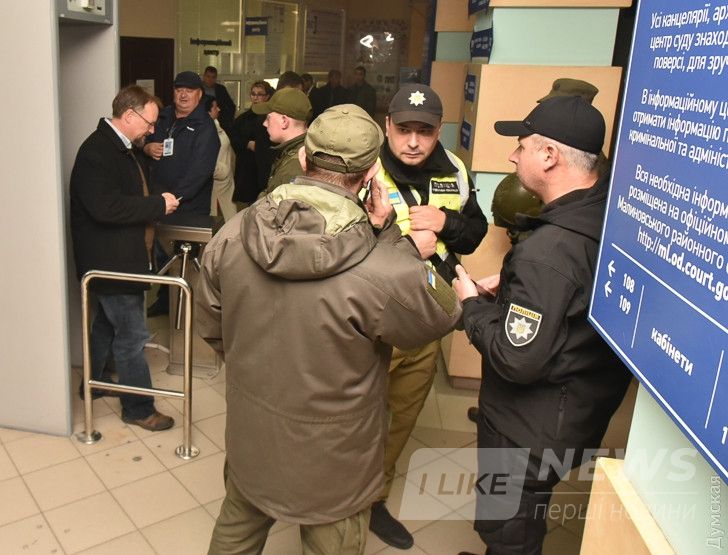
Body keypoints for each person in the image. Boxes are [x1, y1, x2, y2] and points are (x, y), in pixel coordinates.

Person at [197, 105, 461, 555]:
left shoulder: (234, 234)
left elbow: (212, 326)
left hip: (252, 435)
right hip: (335, 461)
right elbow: (441, 315)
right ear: (371, 175)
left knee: (236, 531)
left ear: (303, 158)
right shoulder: (383, 266)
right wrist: (390, 236)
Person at [452, 95, 631, 555]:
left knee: (508, 532)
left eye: (522, 145)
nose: (513, 156)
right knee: (519, 520)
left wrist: (472, 306)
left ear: (549, 155)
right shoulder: (604, 214)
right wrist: (517, 291)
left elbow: (517, 360)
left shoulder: (548, 254)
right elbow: (566, 304)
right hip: (571, 414)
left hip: (524, 432)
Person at [369, 83, 488, 549]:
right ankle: (339, 497)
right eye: (404, 130)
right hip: (374, 320)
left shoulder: (454, 169)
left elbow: (475, 231)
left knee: (402, 413)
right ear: (387, 126)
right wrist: (402, 245)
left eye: (425, 131)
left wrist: (445, 224)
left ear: (439, 131)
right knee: (357, 415)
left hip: (429, 319)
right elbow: (338, 250)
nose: (414, 142)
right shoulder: (367, 168)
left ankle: (374, 498)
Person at [70, 85, 180, 432]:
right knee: (132, 336)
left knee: (106, 324)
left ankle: (94, 382)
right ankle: (138, 408)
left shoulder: (122, 148)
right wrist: (157, 204)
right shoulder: (96, 152)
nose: (152, 129)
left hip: (118, 258)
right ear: (129, 116)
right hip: (111, 261)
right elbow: (105, 207)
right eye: (149, 123)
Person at [144, 71, 220, 217]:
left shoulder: (205, 127)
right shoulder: (162, 116)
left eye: (189, 91)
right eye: (179, 90)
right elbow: (140, 139)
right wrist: (146, 147)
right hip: (155, 201)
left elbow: (199, 173)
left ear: (199, 94)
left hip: (188, 208)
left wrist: (171, 198)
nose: (183, 95)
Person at [252, 87, 311, 197]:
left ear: (284, 121)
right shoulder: (298, 151)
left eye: (268, 118)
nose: (264, 123)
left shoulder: (293, 169)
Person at [230, 81, 273, 207]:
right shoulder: (243, 118)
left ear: (267, 96)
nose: (256, 97)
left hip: (265, 167)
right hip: (247, 167)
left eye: (260, 94)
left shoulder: (272, 117)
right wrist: (247, 143)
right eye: (253, 94)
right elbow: (234, 138)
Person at [206, 97, 237, 221]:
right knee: (216, 221)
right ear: (208, 111)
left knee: (230, 220)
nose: (218, 109)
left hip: (226, 183)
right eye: (215, 107)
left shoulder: (216, 124)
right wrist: (223, 171)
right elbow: (205, 158)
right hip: (216, 182)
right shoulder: (206, 130)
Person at [202, 66, 237, 131]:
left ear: (216, 78)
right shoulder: (198, 89)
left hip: (220, 123)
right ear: (204, 77)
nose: (210, 79)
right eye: (208, 76)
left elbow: (231, 106)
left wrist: (228, 121)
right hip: (202, 121)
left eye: (213, 77)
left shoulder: (221, 89)